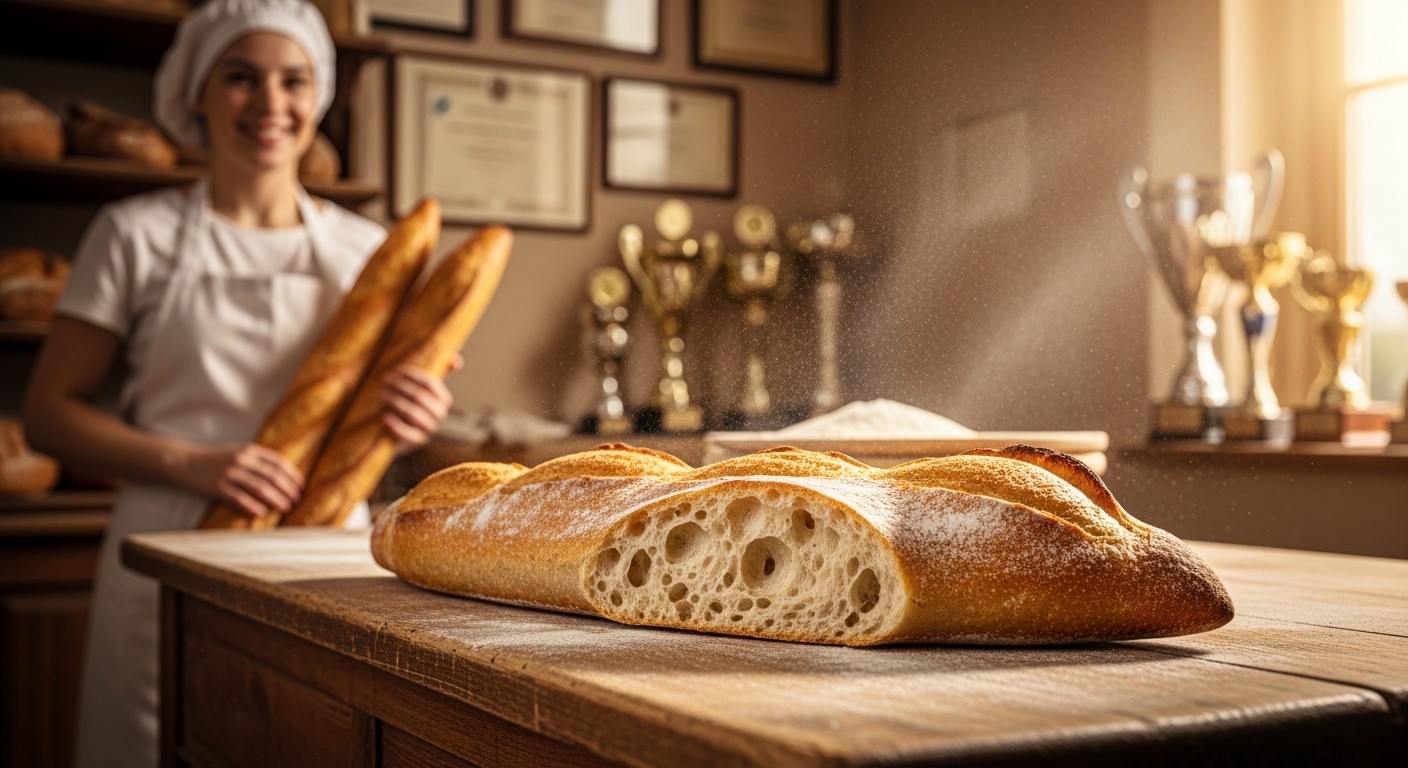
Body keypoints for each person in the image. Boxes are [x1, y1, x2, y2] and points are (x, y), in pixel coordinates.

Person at [21, 1, 455, 765]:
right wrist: (193, 462)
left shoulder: (369, 251)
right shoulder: (134, 234)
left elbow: (384, 409)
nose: (270, 104)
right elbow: (48, 417)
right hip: (169, 537)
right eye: (240, 77)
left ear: (316, 96)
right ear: (195, 90)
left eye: (293, 80)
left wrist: (413, 416)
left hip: (325, 547)